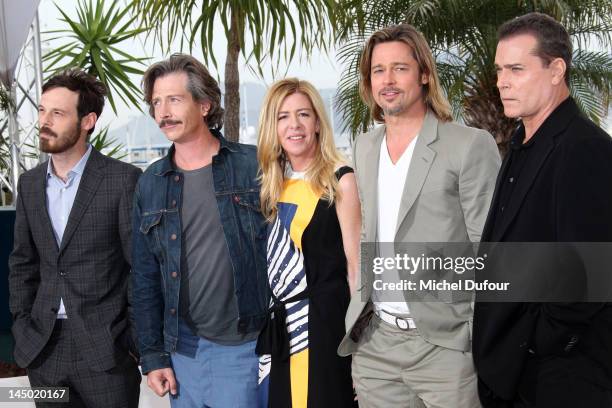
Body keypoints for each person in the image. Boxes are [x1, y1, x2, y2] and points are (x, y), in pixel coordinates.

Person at [338, 24, 501, 407]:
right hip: (377, 347)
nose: (388, 80)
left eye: (400, 68)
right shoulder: (364, 146)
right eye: (378, 70)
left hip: (445, 348)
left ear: (425, 74)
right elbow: (369, 240)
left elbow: (489, 252)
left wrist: (470, 338)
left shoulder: (468, 145)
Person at [472, 12, 612, 408]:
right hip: (512, 375)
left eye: (517, 68)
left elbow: (588, 279)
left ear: (556, 71)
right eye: (500, 69)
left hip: (559, 377)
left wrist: (535, 346)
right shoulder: (520, 141)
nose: (502, 81)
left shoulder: (585, 149)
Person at [132, 53, 268, 408]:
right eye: (157, 102)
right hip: (182, 351)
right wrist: (153, 356)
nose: (162, 112)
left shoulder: (253, 165)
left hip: (245, 346)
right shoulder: (151, 183)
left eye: (174, 99)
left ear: (205, 105)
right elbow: (145, 278)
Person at [9, 69, 142, 407]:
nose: (45, 120)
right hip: (43, 350)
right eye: (42, 110)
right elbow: (23, 263)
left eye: (58, 113)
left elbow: (142, 267)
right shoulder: (29, 184)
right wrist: (24, 325)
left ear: (88, 120)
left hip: (107, 351)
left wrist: (131, 339)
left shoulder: (123, 180)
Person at [255, 78, 361, 407]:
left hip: (327, 326)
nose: (294, 125)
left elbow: (357, 266)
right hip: (282, 327)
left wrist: (358, 344)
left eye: (303, 114)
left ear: (317, 122)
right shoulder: (275, 183)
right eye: (283, 117)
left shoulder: (341, 179)